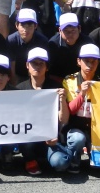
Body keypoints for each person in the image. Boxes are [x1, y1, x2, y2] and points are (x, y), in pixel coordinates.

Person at [16, 47, 67, 176]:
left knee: (60, 164)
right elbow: (15, 120)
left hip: (51, 137)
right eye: (34, 63)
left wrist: (62, 100)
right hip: (29, 137)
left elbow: (64, 120)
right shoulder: (19, 89)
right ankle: (30, 159)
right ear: (27, 65)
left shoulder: (56, 88)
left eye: (41, 63)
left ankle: (52, 156)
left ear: (47, 67)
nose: (37, 67)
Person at [62, 43, 100, 167]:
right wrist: (82, 93)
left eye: (94, 62)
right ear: (79, 61)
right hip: (75, 125)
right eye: (86, 61)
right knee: (78, 139)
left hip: (96, 127)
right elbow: (71, 110)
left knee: (98, 164)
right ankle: (74, 160)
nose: (90, 65)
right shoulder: (69, 81)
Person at [7, 8, 50, 85]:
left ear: (35, 26)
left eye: (30, 25)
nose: (26, 29)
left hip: (36, 75)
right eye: (23, 25)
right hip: (17, 75)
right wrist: (14, 82)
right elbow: (11, 64)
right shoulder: (11, 40)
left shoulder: (42, 41)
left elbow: (43, 65)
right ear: (17, 25)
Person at [48, 12, 92, 84]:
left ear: (79, 29)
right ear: (60, 31)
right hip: (59, 82)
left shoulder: (87, 43)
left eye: (73, 30)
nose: (70, 34)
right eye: (66, 31)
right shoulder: (53, 45)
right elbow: (50, 72)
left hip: (82, 80)